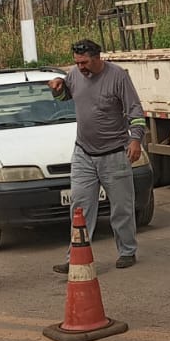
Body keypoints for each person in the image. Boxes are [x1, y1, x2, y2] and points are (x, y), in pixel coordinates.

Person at [50, 39, 147, 274]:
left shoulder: (118, 77)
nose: (80, 67)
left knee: (121, 207)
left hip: (114, 153)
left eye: (84, 62)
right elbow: (67, 95)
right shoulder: (74, 74)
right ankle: (76, 256)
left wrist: (135, 140)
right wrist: (58, 88)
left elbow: (135, 111)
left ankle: (127, 251)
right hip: (83, 152)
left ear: (97, 57)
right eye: (77, 62)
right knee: (80, 207)